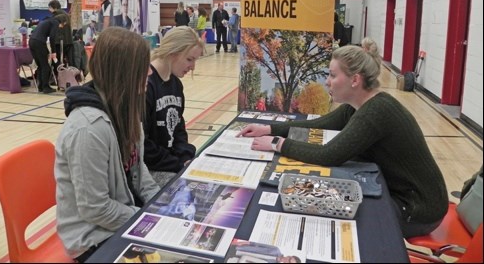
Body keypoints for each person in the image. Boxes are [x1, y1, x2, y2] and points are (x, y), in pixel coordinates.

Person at [237, 40, 448, 239]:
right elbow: (318, 125)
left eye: (332, 75)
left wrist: (277, 143)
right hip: (402, 194)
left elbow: (329, 154)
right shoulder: (360, 105)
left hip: (418, 209)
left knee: (340, 219)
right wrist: (269, 127)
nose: (327, 81)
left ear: (355, 80)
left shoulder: (377, 111)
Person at [55, 27, 160, 262]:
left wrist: (161, 205)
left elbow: (139, 172)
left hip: (121, 219)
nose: (150, 72)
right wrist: (146, 217)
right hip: (92, 238)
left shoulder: (126, 111)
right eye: (143, 66)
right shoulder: (88, 129)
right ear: (124, 72)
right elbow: (95, 208)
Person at [143, 26, 205, 187]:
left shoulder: (175, 84)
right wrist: (176, 165)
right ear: (173, 52)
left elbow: (178, 129)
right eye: (189, 59)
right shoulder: (145, 85)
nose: (193, 67)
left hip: (171, 163)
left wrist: (185, 157)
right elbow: (143, 145)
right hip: (150, 169)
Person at [28, 13, 68, 94]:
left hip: (32, 41)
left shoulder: (47, 20)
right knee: (46, 66)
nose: (62, 27)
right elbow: (53, 38)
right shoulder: (55, 23)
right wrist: (53, 52)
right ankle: (46, 87)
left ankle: (41, 86)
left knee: (41, 65)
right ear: (62, 21)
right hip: (39, 42)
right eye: (64, 24)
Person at [49, 0, 73, 67]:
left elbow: (52, 26)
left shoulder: (55, 14)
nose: (49, 10)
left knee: (57, 61)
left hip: (59, 41)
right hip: (68, 41)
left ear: (53, 7)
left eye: (49, 7)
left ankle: (58, 75)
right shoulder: (66, 13)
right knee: (64, 60)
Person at [232, 241, 301, 263]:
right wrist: (241, 242)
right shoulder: (276, 249)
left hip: (236, 259)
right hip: (241, 249)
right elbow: (258, 244)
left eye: (289, 263)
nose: (287, 261)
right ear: (289, 256)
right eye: (289, 259)